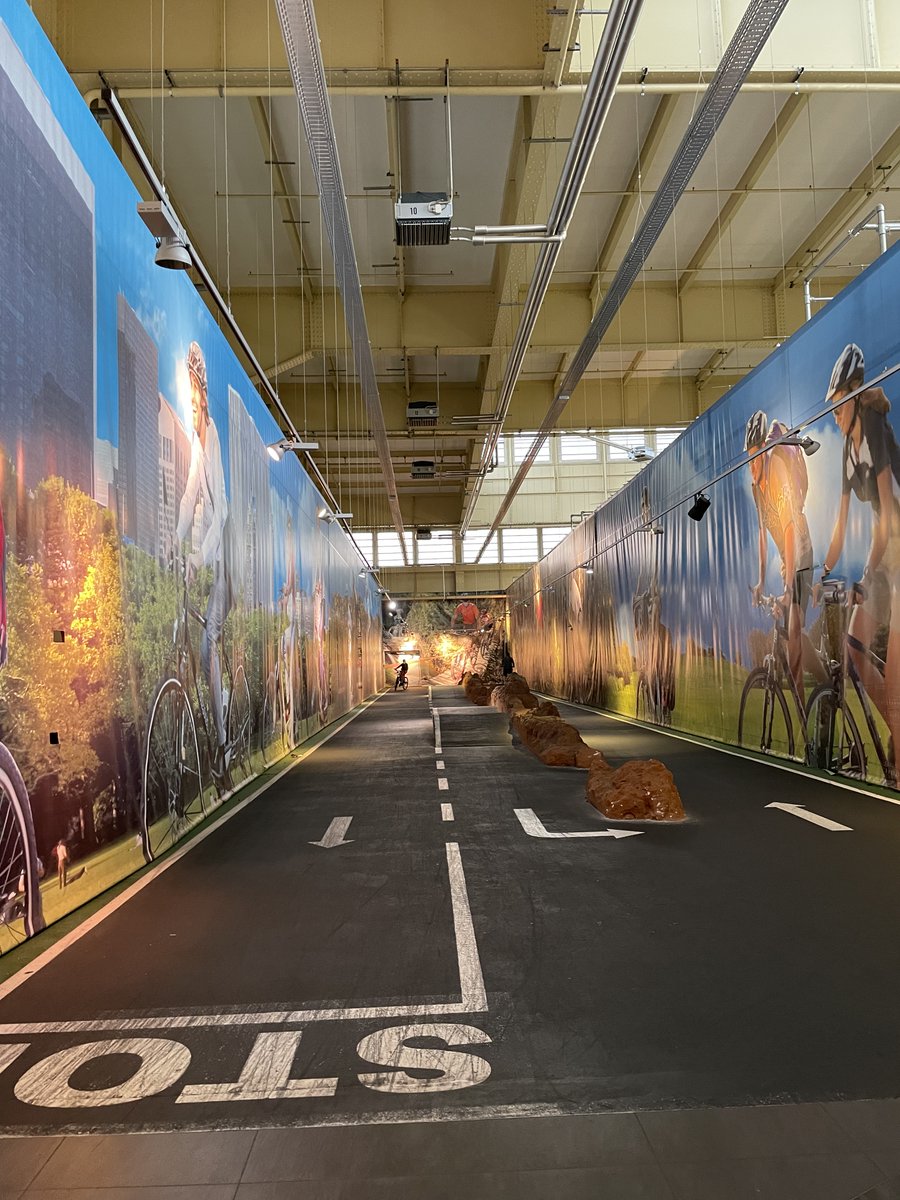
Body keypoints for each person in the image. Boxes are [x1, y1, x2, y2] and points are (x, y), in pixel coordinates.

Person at [821, 343, 900, 782]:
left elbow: (887, 513)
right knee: (854, 646)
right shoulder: (846, 448)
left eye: (837, 405)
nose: (833, 416)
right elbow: (841, 520)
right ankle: (897, 734)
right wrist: (824, 573)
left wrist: (869, 572)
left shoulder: (872, 424)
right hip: (884, 543)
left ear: (855, 394)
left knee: (895, 663)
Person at [176, 342, 233, 783]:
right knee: (192, 639)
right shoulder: (197, 447)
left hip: (223, 565)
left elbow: (222, 511)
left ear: (204, 401)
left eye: (196, 405)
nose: (192, 413)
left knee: (208, 642)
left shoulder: (211, 438)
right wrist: (176, 543)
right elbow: (189, 496)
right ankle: (210, 711)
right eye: (188, 405)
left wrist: (200, 553)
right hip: (205, 560)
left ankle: (220, 745)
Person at [745, 409, 817, 701]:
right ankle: (827, 678)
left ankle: (803, 724)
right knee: (791, 634)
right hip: (788, 561)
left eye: (754, 456)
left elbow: (788, 528)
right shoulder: (756, 487)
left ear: (764, 449)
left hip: (802, 552)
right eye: (748, 458)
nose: (751, 465)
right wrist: (761, 581)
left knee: (794, 635)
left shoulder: (775, 470)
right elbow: (764, 535)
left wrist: (788, 587)